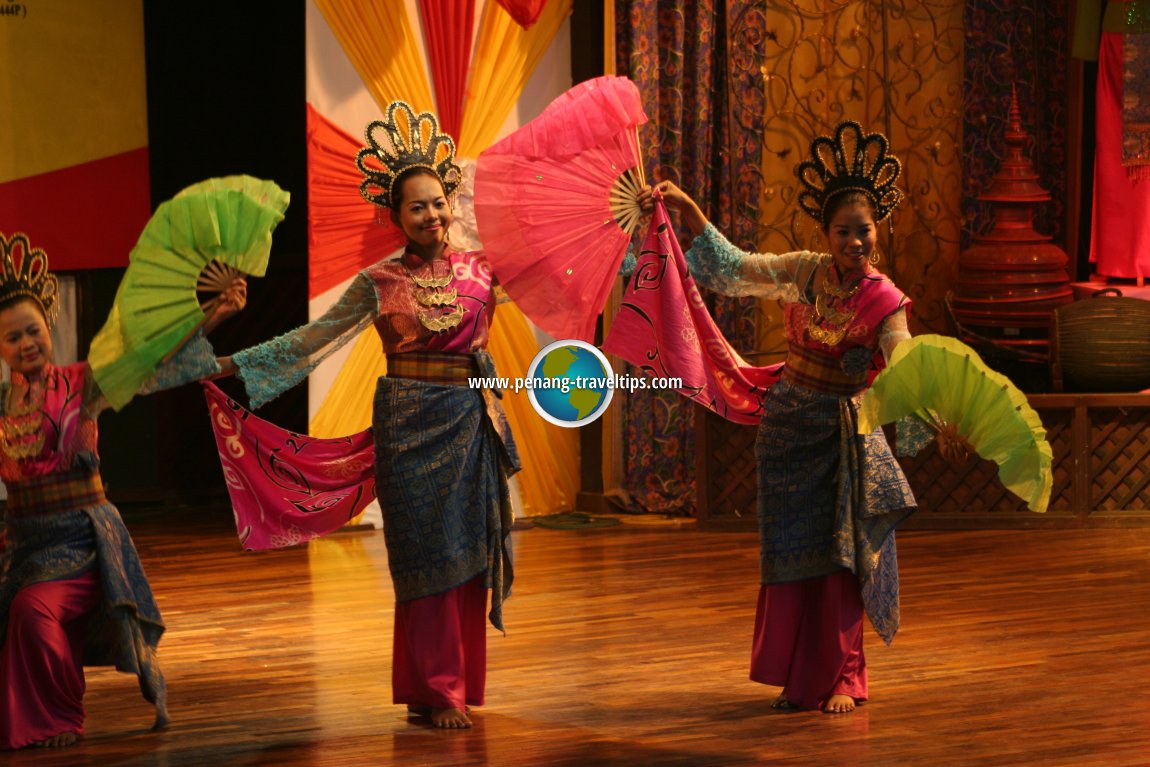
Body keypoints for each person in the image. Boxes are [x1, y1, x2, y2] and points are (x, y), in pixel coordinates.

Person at [215, 102, 519, 730]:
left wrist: (627, 239)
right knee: (423, 553)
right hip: (407, 427)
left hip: (469, 422)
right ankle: (437, 688)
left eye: (439, 201)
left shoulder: (484, 270)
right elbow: (312, 339)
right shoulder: (379, 281)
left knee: (466, 555)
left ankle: (442, 687)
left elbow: (559, 276)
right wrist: (227, 366)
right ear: (395, 216)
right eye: (417, 206)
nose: (432, 214)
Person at [635, 121, 918, 713]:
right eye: (843, 232)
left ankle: (844, 675)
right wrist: (685, 209)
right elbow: (733, 269)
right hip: (788, 430)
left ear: (878, 230)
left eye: (864, 231)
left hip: (843, 436)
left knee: (840, 557)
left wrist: (931, 397)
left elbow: (903, 356)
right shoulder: (803, 270)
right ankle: (799, 675)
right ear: (826, 233)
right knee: (792, 553)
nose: (854, 243)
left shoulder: (884, 298)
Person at [0, 231, 246, 748]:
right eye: (12, 337)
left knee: (32, 610)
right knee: (20, 605)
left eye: (32, 331)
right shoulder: (3, 403)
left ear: (50, 327)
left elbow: (152, 357)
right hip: (22, 546)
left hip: (82, 546)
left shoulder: (82, 383)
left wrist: (214, 313)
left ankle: (60, 718)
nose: (26, 344)